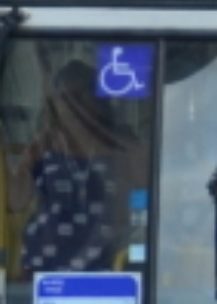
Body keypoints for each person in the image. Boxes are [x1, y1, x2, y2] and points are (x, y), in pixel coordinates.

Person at [12, 59, 145, 275]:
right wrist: (25, 166)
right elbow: (16, 201)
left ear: (100, 100)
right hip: (44, 269)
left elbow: (145, 197)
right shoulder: (45, 144)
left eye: (81, 95)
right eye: (66, 98)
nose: (74, 106)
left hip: (109, 265)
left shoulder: (123, 144)